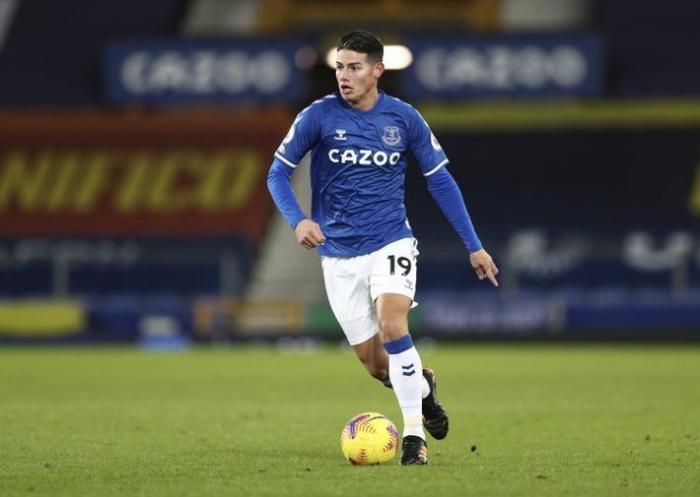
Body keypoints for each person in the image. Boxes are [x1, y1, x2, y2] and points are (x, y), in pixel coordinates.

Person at [267, 30, 499, 465]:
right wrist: (298, 220)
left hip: (390, 241)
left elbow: (440, 181)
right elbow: (276, 174)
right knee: (377, 365)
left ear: (377, 70)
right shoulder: (317, 116)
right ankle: (423, 387)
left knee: (394, 326)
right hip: (338, 254)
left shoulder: (404, 119)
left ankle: (413, 438)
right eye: (339, 67)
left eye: (354, 67)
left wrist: (474, 245)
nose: (344, 75)